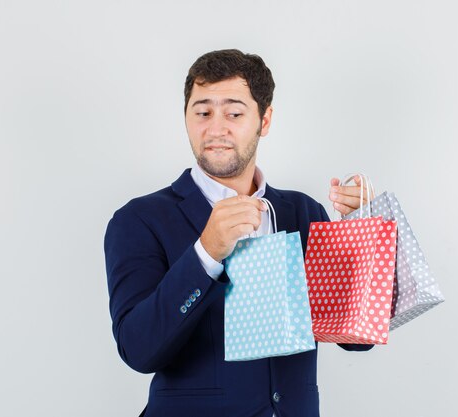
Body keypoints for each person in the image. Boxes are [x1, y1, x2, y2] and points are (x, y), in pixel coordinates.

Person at [104, 49, 372, 417]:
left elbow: (354, 339)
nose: (216, 128)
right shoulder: (139, 220)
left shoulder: (303, 213)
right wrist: (205, 254)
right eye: (202, 112)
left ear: (264, 120)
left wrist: (361, 236)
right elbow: (138, 349)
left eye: (233, 113)